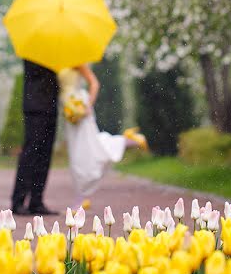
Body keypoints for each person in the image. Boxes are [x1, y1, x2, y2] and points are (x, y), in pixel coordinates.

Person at [59, 64, 147, 208]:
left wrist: (87, 105)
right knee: (78, 152)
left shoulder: (77, 61)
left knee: (84, 151)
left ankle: (81, 198)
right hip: (68, 111)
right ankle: (128, 140)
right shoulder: (56, 62)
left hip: (80, 107)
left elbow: (94, 83)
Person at [11, 60, 61, 215]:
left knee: (45, 156)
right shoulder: (33, 52)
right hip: (36, 107)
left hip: (51, 108)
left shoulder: (55, 52)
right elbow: (36, 74)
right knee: (31, 154)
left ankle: (36, 201)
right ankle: (18, 201)